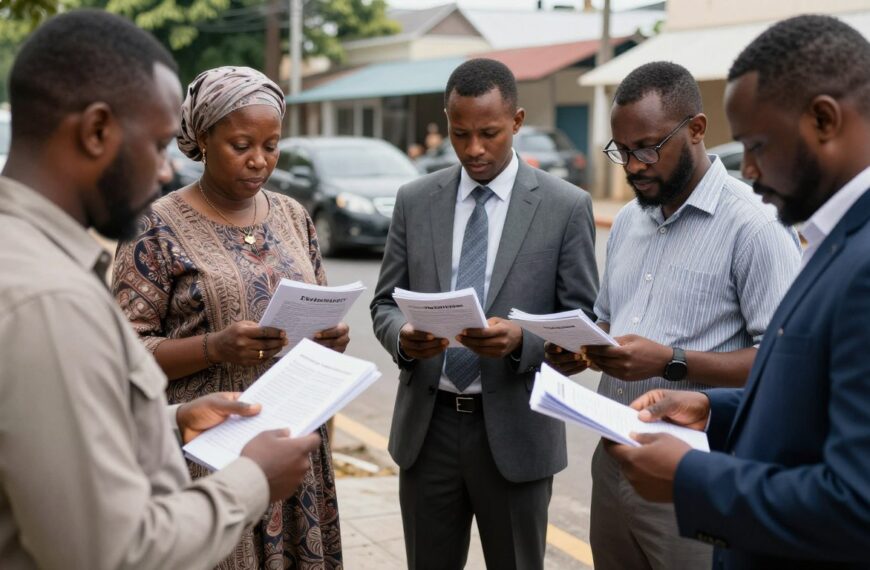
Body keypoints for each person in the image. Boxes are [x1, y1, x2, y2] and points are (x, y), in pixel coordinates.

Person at [0, 10, 321, 569]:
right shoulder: (48, 301)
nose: (167, 173)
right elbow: (112, 552)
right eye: (155, 145)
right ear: (97, 131)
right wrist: (251, 480)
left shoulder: (33, 260)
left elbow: (56, 430)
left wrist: (172, 420)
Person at [607, 14, 870, 569]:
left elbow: (857, 503)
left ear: (824, 119)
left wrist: (693, 477)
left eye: (756, 144)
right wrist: (710, 407)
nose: (747, 167)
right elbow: (799, 393)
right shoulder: (831, 235)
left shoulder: (852, 257)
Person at [546, 61, 801, 570]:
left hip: (694, 471)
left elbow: (784, 366)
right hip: (614, 462)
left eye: (647, 148)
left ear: (697, 130)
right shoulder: (625, 223)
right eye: (622, 151)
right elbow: (609, 321)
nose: (634, 166)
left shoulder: (754, 226)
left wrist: (672, 360)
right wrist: (580, 346)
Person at [112, 66, 348, 569]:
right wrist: (213, 348)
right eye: (241, 145)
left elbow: (320, 306)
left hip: (292, 450)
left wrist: (331, 338)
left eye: (271, 144)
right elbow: (122, 360)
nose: (259, 160)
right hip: (206, 454)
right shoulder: (153, 227)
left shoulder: (292, 215)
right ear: (201, 137)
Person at [370, 58, 599, 569]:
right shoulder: (415, 200)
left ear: (516, 122)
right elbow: (384, 302)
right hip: (427, 434)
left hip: (517, 435)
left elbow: (585, 320)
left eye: (489, 133)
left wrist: (523, 341)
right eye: (460, 134)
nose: (474, 149)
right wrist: (404, 338)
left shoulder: (565, 206)